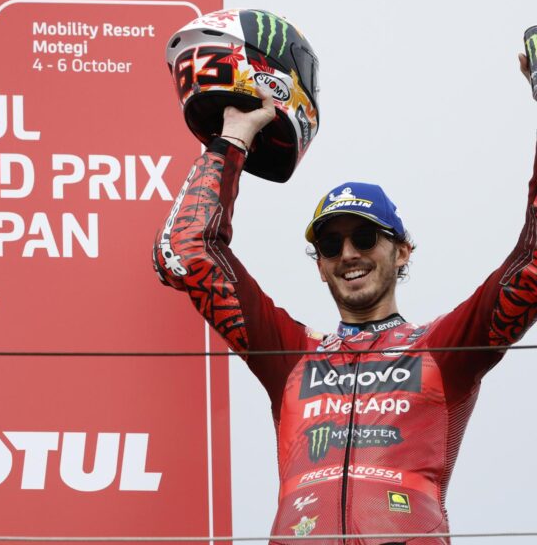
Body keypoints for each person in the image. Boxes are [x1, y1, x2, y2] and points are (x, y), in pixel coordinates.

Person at [153, 55, 537, 545]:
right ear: (319, 265)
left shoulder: (442, 349)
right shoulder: (292, 354)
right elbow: (183, 254)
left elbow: (533, 266)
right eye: (331, 245)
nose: (348, 254)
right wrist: (233, 134)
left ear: (401, 251)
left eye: (364, 237)